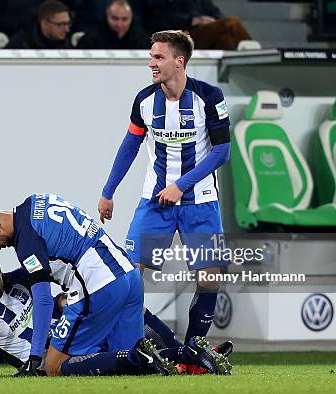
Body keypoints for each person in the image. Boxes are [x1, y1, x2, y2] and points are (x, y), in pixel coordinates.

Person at [0, 193, 230, 377]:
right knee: (129, 362)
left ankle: (156, 354)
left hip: (99, 285)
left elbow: (42, 298)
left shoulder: (25, 240)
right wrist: (10, 277)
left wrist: (35, 356)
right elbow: (50, 260)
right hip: (127, 274)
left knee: (53, 366)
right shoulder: (37, 200)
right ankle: (192, 354)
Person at [98, 30, 231, 351]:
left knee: (210, 278)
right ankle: (139, 344)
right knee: (129, 278)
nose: (151, 63)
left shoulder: (210, 97)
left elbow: (221, 152)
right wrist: (108, 191)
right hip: (154, 203)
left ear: (179, 61)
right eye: (151, 56)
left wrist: (180, 186)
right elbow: (130, 145)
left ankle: (193, 350)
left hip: (200, 203)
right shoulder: (144, 100)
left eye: (158, 57)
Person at [0, 246, 231, 378]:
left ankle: (187, 353)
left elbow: (55, 284)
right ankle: (186, 355)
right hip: (48, 362)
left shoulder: (20, 280)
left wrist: (64, 301)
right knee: (80, 363)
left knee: (126, 309)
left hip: (73, 336)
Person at [143, 0, 251, 50]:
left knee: (226, 39)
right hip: (185, 34)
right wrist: (191, 20)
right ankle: (252, 52)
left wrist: (214, 22)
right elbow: (155, 19)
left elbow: (215, 12)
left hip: (205, 32)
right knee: (231, 22)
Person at [77, 0, 149, 50]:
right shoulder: (90, 39)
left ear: (131, 18)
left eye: (124, 19)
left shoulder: (142, 40)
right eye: (115, 19)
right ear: (107, 17)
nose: (119, 24)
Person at [5, 0, 72, 49]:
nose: (67, 30)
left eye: (68, 24)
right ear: (44, 24)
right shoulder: (21, 45)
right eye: (61, 24)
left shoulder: (66, 45)